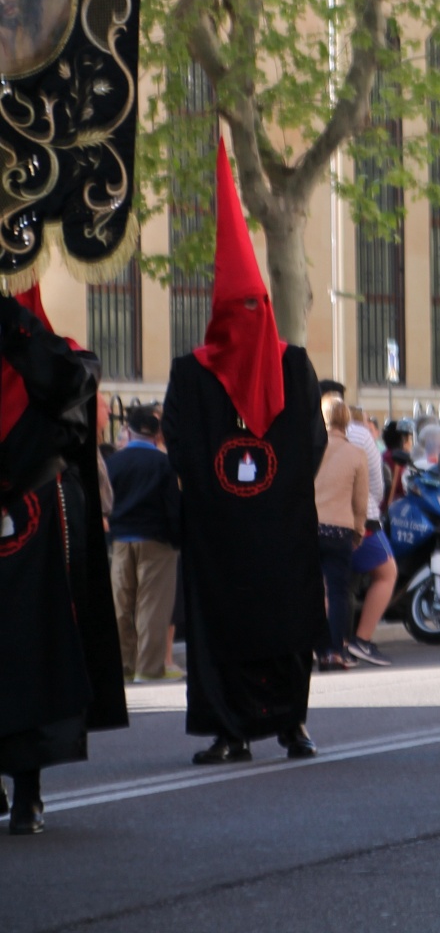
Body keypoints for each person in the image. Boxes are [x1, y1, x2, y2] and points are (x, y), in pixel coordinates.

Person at [164, 139, 326, 764]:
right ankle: (234, 729)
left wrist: (236, 502)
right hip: (248, 530)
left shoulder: (292, 366)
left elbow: (309, 437)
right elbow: (181, 443)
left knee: (280, 628)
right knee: (230, 629)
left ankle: (288, 724)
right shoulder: (194, 374)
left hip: (255, 528)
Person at [0, 287, 126, 835]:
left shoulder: (65, 357)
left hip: (40, 521)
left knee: (37, 644)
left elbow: (75, 403)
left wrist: (16, 330)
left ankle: (29, 792)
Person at [106, 402, 182, 683]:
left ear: (129, 429)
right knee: (152, 607)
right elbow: (174, 507)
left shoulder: (114, 462)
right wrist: (177, 539)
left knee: (121, 605)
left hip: (121, 540)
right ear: (157, 434)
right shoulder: (164, 464)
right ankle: (148, 668)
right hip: (157, 541)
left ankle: (123, 664)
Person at [313, 394, 370, 671]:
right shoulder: (356, 455)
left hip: (308, 528)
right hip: (340, 530)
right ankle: (335, 652)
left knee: (310, 592)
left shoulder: (308, 449)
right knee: (337, 592)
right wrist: (358, 531)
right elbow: (361, 503)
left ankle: (316, 649)